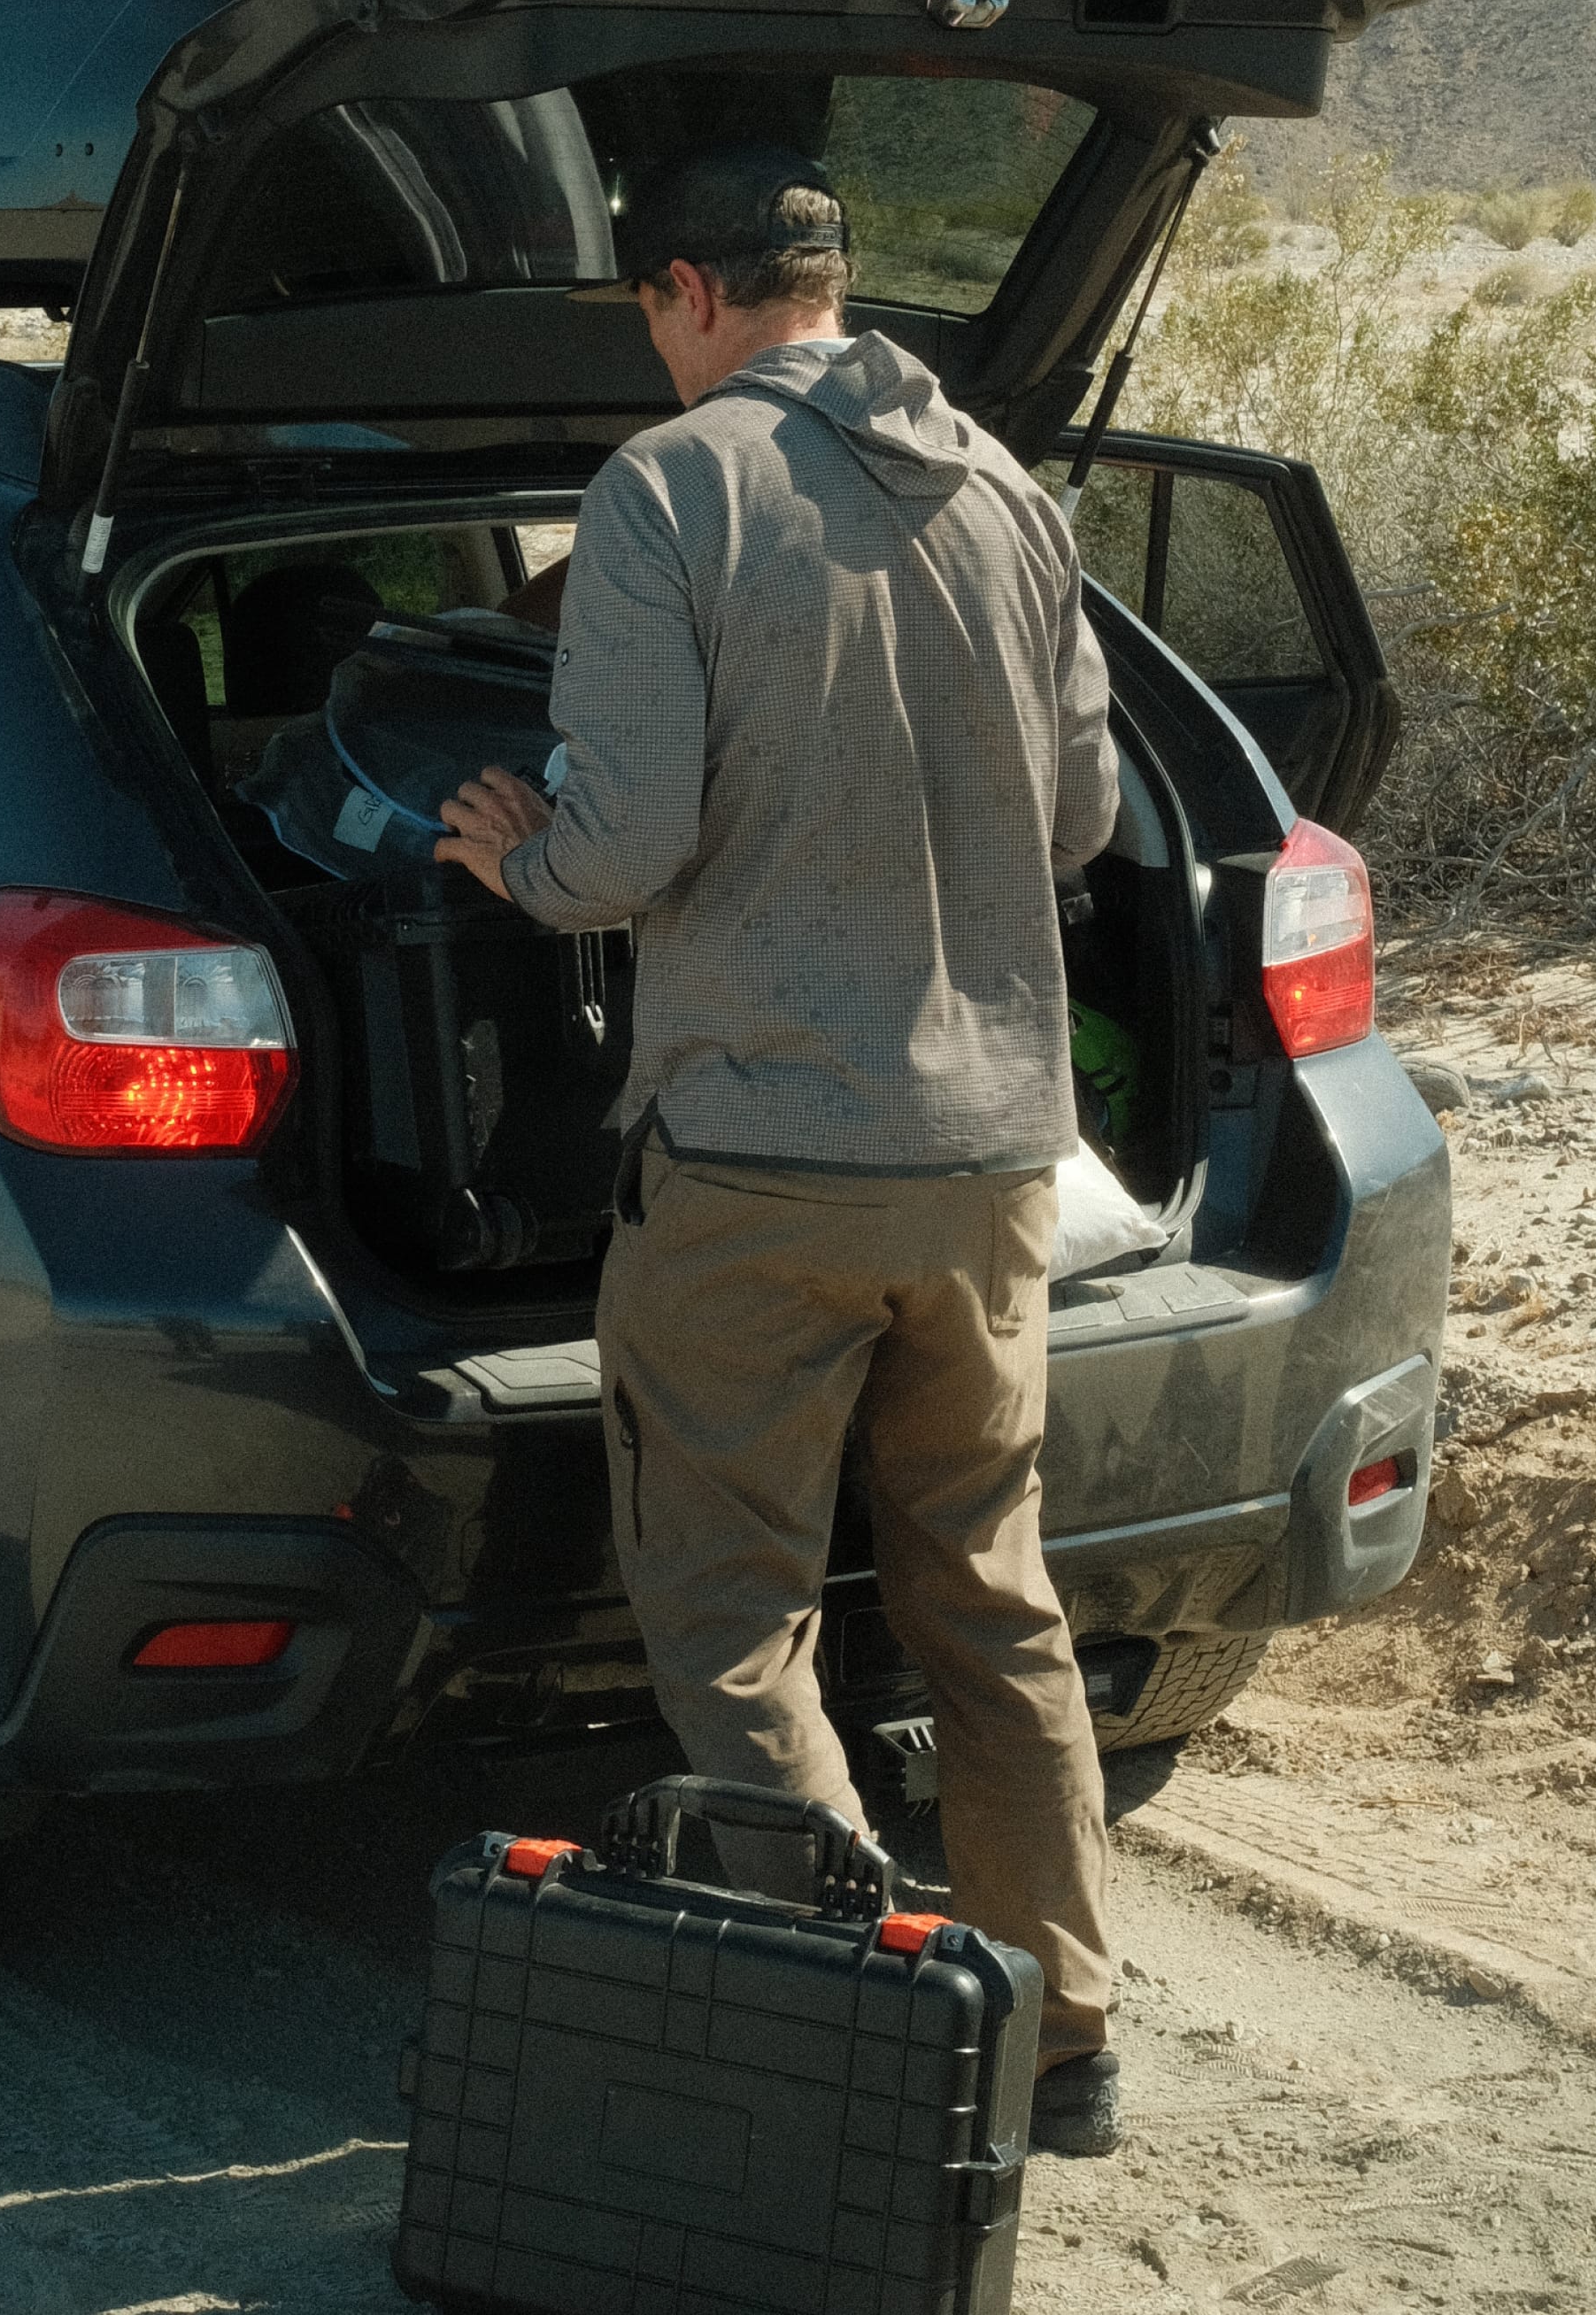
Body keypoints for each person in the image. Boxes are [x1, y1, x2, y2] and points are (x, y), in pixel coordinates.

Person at [436, 143, 1125, 2156]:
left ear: (680, 296)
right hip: (996, 1162)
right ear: (832, 282)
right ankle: (1063, 2042)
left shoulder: (666, 490)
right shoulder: (1006, 488)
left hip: (756, 1163)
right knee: (989, 1601)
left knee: (737, 1619)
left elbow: (620, 848)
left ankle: (854, 2035)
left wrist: (516, 858)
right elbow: (1084, 818)